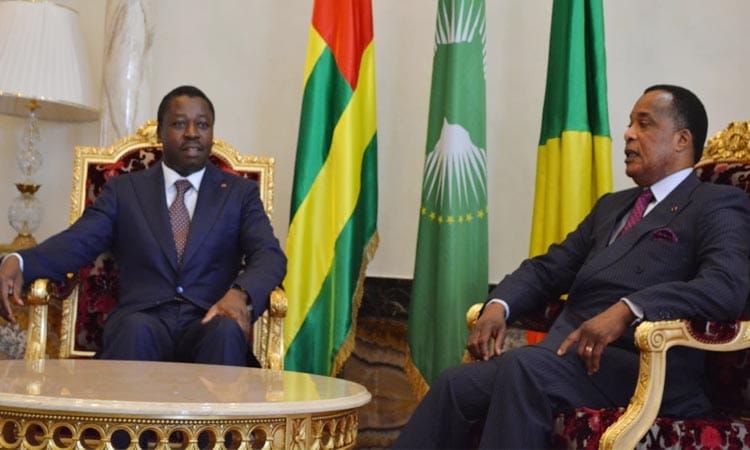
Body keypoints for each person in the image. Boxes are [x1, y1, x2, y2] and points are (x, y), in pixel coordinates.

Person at [393, 85, 750, 448]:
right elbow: (548, 269)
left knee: (524, 369)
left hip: (642, 366)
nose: (628, 134)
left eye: (644, 124)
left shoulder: (716, 203)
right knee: (455, 385)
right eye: (630, 123)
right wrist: (499, 305)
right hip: (566, 356)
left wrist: (630, 308)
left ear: (681, 140)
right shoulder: (612, 206)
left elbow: (725, 287)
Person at [0, 85, 287, 367]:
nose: (192, 132)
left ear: (211, 133)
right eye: (179, 123)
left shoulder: (239, 194)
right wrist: (19, 261)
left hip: (209, 318)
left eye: (202, 124)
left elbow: (269, 255)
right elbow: (78, 241)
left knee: (225, 331)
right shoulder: (124, 190)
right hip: (142, 319)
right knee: (134, 329)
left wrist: (240, 294)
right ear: (160, 132)